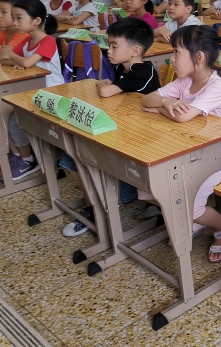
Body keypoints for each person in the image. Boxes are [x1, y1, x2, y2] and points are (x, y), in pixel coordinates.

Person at [141, 25, 221, 263]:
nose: (172, 59)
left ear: (199, 57)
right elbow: (147, 99)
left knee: (191, 206)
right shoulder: (185, 81)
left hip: (219, 155)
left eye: (177, 52)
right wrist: (167, 102)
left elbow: (182, 117)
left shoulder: (216, 86)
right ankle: (194, 220)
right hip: (189, 150)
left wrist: (161, 109)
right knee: (148, 188)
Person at [61, 18, 160, 237]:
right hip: (123, 129)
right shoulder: (122, 67)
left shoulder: (143, 71)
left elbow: (106, 90)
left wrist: (102, 83)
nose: (109, 50)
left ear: (135, 51)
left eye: (114, 46)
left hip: (138, 140)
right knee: (73, 155)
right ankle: (95, 203)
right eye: (109, 45)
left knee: (78, 155)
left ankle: (100, 207)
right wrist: (105, 83)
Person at [0, 0, 59, 180]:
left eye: (19, 18)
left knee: (14, 118)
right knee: (11, 116)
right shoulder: (27, 41)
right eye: (13, 18)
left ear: (36, 21)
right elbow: (4, 60)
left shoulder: (47, 41)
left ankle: (29, 159)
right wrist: (17, 61)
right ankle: (22, 156)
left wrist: (16, 59)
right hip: (34, 91)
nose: (15, 23)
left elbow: (25, 62)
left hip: (53, 93)